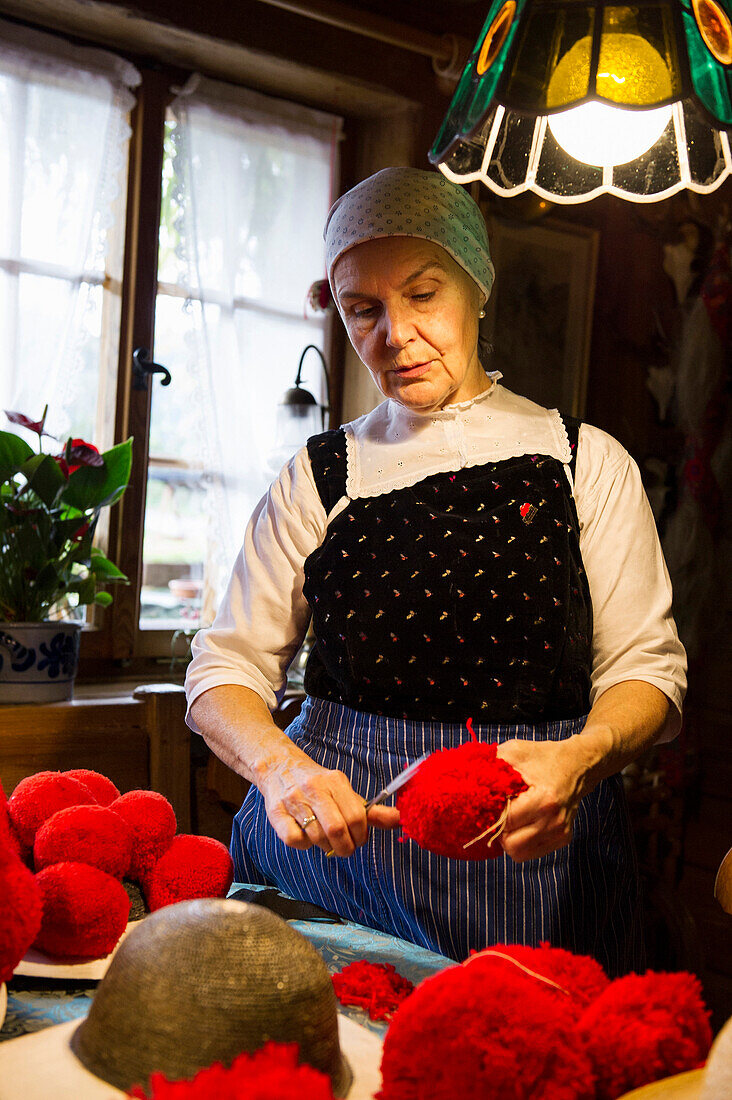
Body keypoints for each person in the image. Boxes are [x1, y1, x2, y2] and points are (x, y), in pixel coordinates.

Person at [185, 167, 686, 976]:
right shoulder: (321, 475)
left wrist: (580, 759)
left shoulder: (583, 461)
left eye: (423, 294)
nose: (397, 335)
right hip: (337, 860)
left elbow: (648, 670)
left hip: (533, 860)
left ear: (477, 285)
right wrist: (281, 771)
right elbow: (225, 666)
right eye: (363, 310)